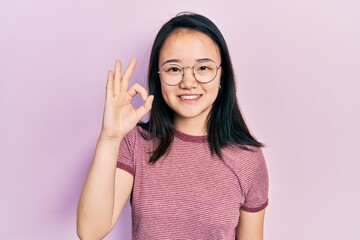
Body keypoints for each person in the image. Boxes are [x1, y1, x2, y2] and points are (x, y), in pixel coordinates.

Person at [77, 12, 269, 240]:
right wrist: (110, 137)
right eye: (174, 69)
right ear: (158, 78)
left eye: (203, 68)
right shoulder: (135, 143)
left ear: (221, 77)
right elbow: (90, 232)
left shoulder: (249, 160)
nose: (188, 82)